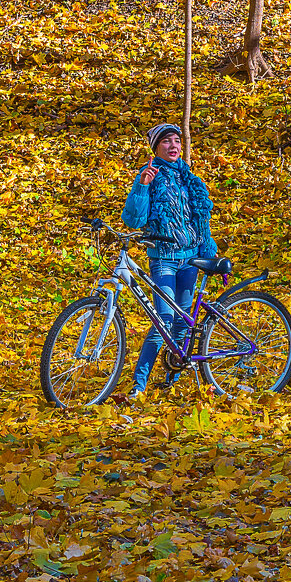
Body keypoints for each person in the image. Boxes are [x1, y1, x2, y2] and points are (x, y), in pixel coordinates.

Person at [121, 123, 218, 395]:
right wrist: (142, 187)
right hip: (163, 259)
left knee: (182, 323)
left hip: (191, 261)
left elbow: (200, 221)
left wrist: (208, 252)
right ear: (156, 148)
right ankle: (138, 386)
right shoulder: (148, 176)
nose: (174, 146)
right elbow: (133, 220)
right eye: (166, 142)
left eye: (177, 141)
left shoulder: (189, 179)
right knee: (161, 321)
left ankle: (170, 380)